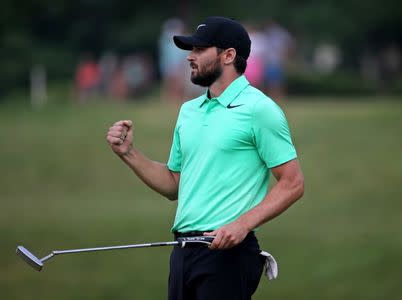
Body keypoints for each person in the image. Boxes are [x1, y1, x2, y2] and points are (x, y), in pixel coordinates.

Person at [106, 16, 304, 300]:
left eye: (199, 50)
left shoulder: (259, 109)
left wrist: (243, 224)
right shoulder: (189, 110)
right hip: (183, 253)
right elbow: (175, 183)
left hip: (228, 255)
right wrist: (129, 154)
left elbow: (293, 183)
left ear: (228, 55)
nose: (189, 57)